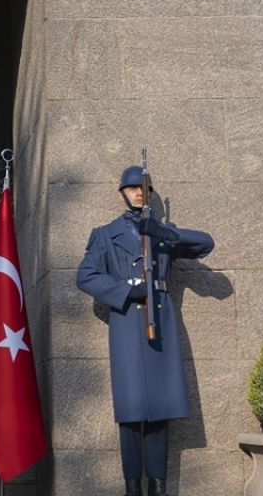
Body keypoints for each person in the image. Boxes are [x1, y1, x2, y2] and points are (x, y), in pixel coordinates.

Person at [76, 165, 214, 496]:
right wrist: (126, 291)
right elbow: (86, 276)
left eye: (144, 188)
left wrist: (163, 232)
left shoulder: (161, 231)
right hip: (127, 324)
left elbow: (206, 243)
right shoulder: (105, 234)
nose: (139, 192)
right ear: (122, 192)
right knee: (131, 408)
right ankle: (132, 485)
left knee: (161, 409)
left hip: (161, 321)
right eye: (133, 187)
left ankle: (158, 484)